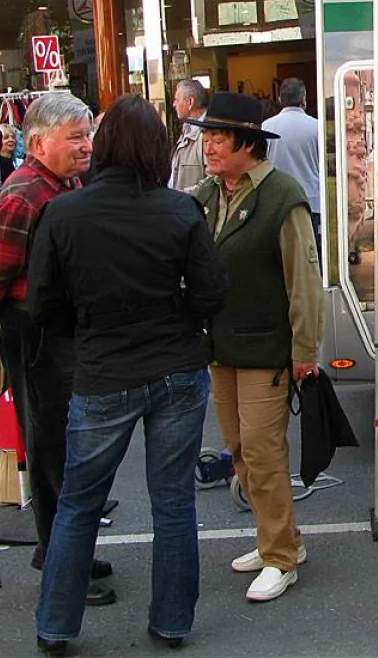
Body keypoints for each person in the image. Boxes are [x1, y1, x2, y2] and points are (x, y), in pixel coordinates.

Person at [26, 96, 228, 654]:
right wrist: (179, 317)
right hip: (176, 366)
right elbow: (213, 292)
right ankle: (171, 622)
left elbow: (42, 303)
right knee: (173, 503)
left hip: (102, 368)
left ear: (105, 145)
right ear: (159, 150)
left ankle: (57, 626)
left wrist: (88, 325)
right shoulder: (180, 211)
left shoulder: (64, 213)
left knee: (78, 501)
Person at [0, 92, 115, 606]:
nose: (86, 145)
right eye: (75, 136)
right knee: (53, 450)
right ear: (37, 143)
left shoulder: (61, 184)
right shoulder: (23, 195)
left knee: (70, 447)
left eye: (87, 134)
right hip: (35, 335)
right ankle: (61, 566)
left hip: (58, 332)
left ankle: (67, 552)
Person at [189, 91, 324, 603]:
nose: (209, 146)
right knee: (241, 450)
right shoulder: (207, 195)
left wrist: (305, 348)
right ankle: (279, 537)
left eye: (218, 137)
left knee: (265, 452)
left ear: (248, 142)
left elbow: (304, 279)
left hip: (267, 347)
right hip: (220, 346)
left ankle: (280, 558)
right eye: (207, 136)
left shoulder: (282, 195)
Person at [263, 77, 322, 260]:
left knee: (280, 257)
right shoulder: (316, 127)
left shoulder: (266, 127)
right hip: (310, 200)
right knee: (309, 256)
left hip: (276, 201)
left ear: (279, 99)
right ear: (304, 99)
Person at [169, 79, 207, 191]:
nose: (174, 104)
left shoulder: (208, 134)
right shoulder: (187, 129)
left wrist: (182, 199)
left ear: (190, 102)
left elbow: (213, 181)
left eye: (176, 99)